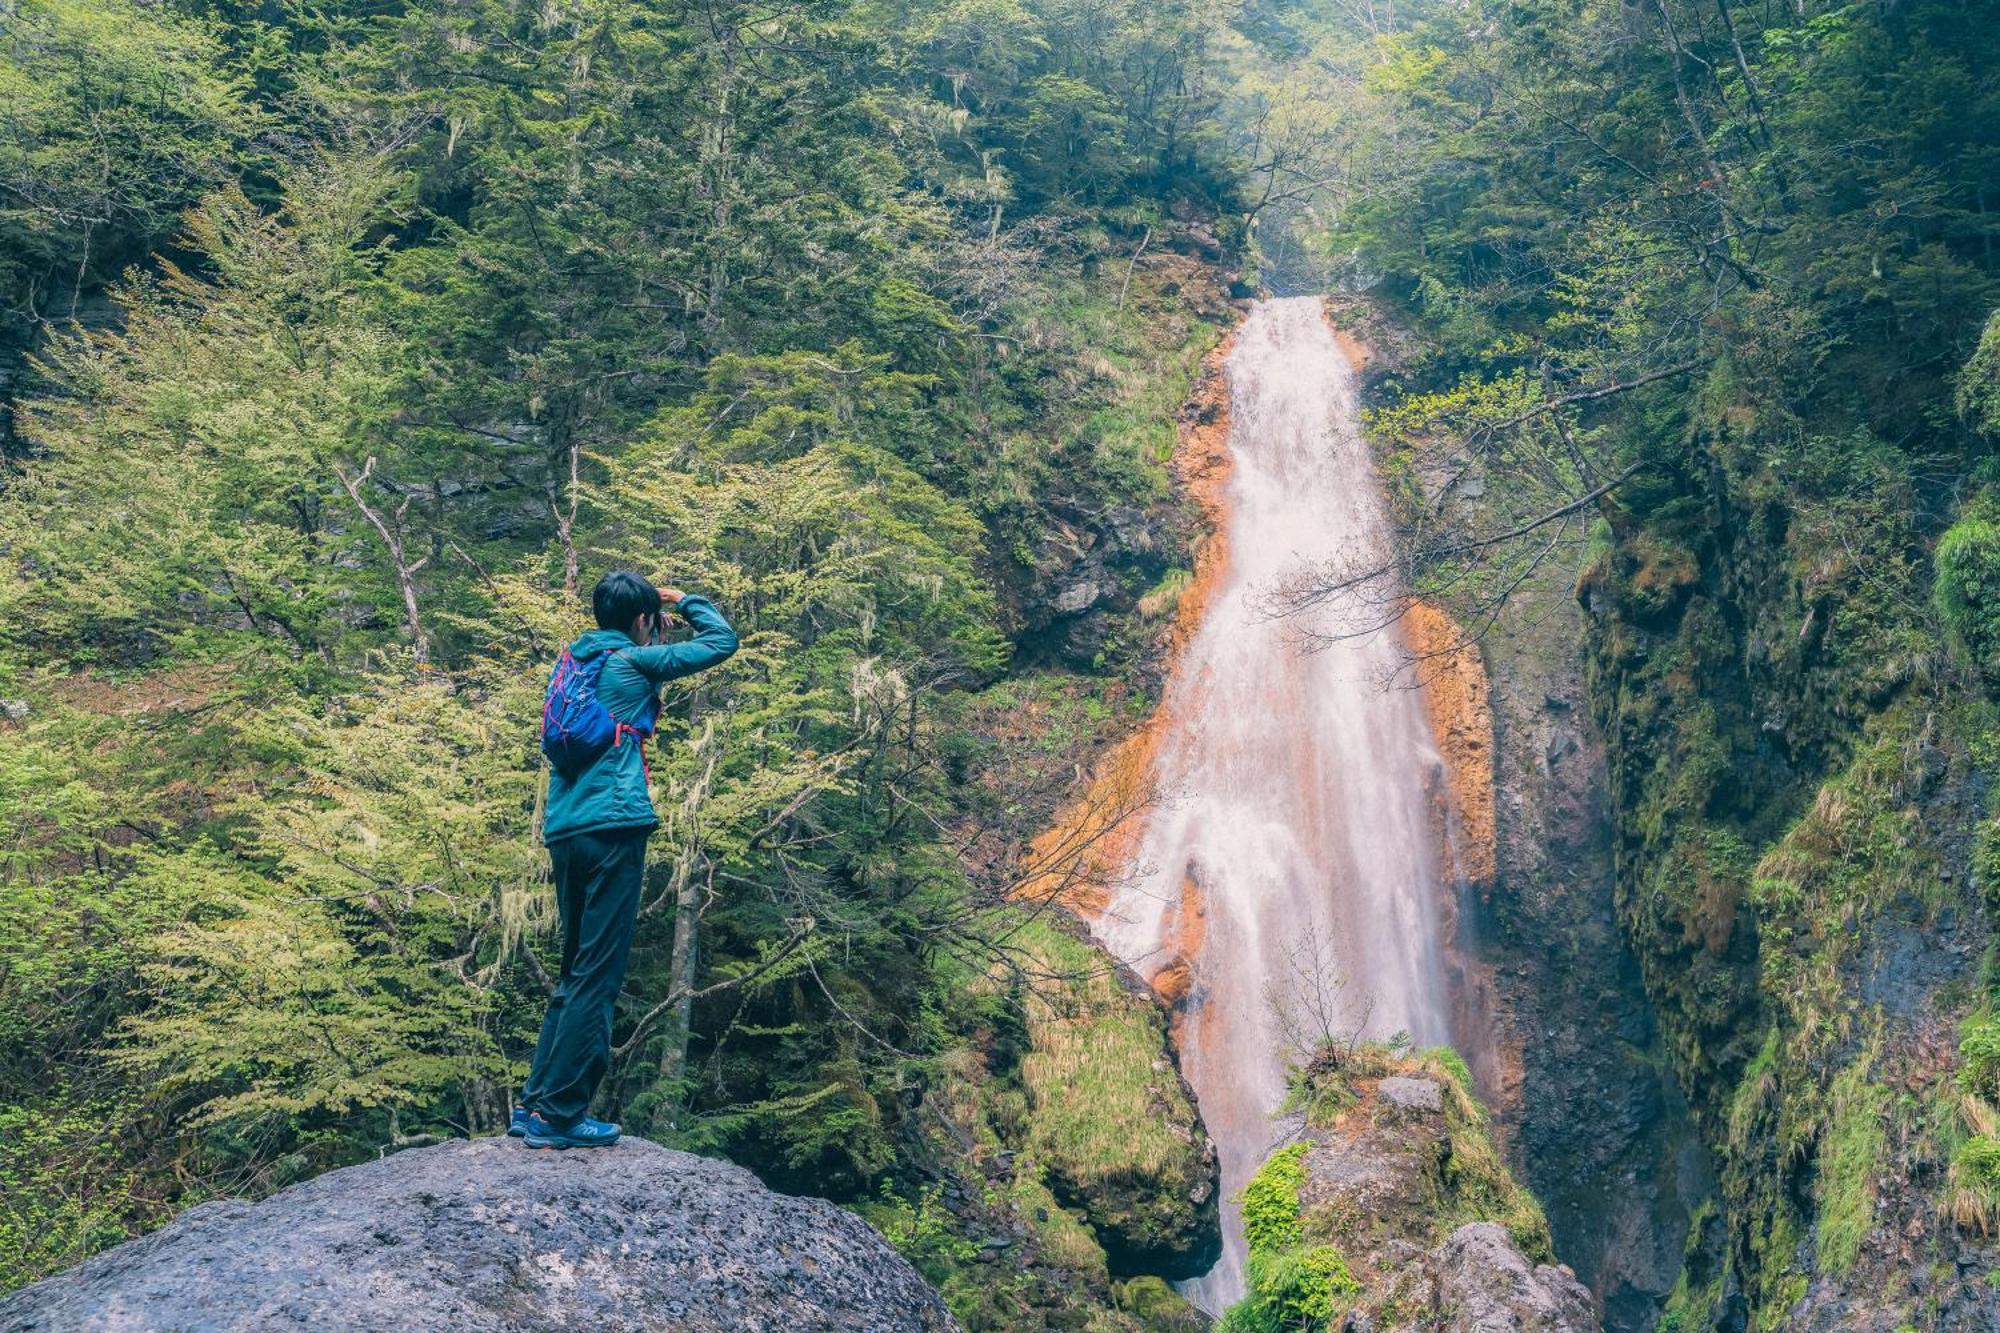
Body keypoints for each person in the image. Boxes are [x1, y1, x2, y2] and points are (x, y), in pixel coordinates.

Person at [513, 570, 737, 1149]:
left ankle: (535, 1105)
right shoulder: (633, 664)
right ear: (643, 621)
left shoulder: (574, 664)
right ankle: (561, 1115)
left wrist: (645, 613)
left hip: (566, 829)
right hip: (614, 825)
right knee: (599, 974)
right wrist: (683, 600)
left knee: (574, 971)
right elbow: (721, 642)